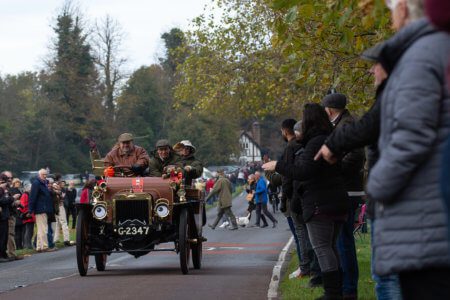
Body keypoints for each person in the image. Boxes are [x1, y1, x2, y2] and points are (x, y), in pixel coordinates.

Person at [365, 1, 450, 298]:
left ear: (402, 9)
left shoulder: (420, 56)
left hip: (424, 218)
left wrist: (376, 185)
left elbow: (411, 136)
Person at [316, 42, 403, 300]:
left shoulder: (393, 97)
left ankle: (348, 289)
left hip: (360, 191)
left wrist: (331, 154)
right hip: (379, 192)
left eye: (376, 66)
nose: (371, 72)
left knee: (379, 267)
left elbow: (360, 143)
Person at [263, 103, 348, 299]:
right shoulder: (329, 138)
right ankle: (337, 291)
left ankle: (333, 293)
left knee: (322, 247)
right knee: (331, 246)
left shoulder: (315, 142)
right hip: (336, 199)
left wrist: (278, 165)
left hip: (320, 202)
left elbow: (303, 171)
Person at [322, 93, 365, 299]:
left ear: (329, 109)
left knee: (343, 241)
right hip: (345, 187)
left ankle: (348, 289)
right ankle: (345, 287)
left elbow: (356, 156)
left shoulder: (345, 126)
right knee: (341, 240)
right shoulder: (343, 124)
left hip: (347, 189)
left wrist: (333, 168)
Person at [29, 168, 56, 252]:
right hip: (40, 209)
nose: (45, 176)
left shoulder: (44, 183)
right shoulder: (36, 183)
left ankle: (39, 247)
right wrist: (30, 209)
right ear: (39, 175)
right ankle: (44, 246)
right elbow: (32, 197)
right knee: (44, 229)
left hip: (45, 208)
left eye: (46, 174)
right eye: (43, 174)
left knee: (41, 229)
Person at [2, 171, 23, 260]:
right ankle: (11, 253)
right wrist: (14, 200)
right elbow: (4, 201)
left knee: (11, 234)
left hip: (11, 213)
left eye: (11, 178)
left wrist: (15, 203)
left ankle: (11, 253)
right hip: (7, 214)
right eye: (7, 178)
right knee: (10, 234)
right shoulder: (4, 189)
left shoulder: (8, 188)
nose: (9, 180)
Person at [53, 182, 73, 246]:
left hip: (55, 208)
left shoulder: (54, 191)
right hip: (60, 207)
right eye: (56, 185)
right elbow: (60, 199)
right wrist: (61, 197)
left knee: (57, 223)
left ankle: (56, 239)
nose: (58, 186)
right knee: (64, 223)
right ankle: (66, 239)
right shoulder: (57, 192)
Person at [0, 174, 14, 263]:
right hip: (1, 216)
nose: (3, 184)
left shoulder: (4, 190)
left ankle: (4, 254)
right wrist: (12, 198)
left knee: (4, 236)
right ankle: (1, 255)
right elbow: (2, 201)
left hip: (4, 215)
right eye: (2, 182)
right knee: (2, 236)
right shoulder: (1, 190)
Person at [19, 184, 35, 250]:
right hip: (28, 215)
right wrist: (28, 212)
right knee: (28, 231)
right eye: (31, 188)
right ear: (27, 189)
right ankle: (27, 245)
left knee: (30, 231)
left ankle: (28, 244)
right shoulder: (25, 195)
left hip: (30, 215)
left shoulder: (27, 195)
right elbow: (23, 205)